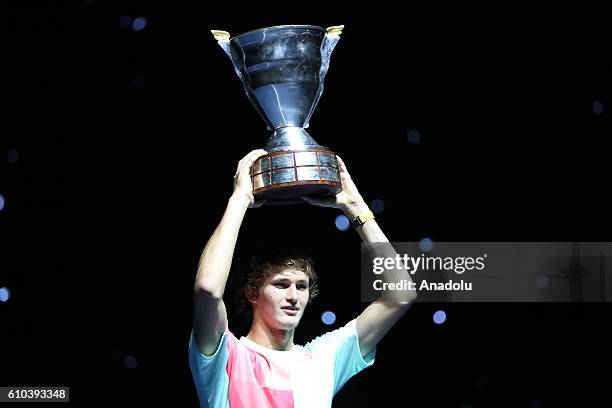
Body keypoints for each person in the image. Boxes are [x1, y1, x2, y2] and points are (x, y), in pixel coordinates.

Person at [189, 149, 416, 407]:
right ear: (252, 292)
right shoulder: (223, 356)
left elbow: (401, 295)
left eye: (301, 286)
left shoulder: (322, 360)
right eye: (281, 284)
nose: (293, 296)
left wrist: (357, 208)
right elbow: (207, 288)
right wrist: (239, 199)